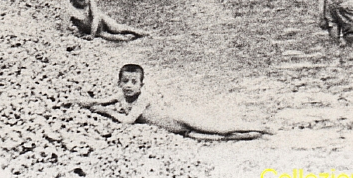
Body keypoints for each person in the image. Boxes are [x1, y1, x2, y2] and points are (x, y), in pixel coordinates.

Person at [77, 64, 273, 141]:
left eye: (133, 82)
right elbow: (100, 101)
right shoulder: (120, 95)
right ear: (119, 83)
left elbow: (128, 120)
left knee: (219, 129)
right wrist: (81, 103)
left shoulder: (142, 99)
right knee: (217, 139)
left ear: (141, 85)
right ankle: (253, 136)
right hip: (179, 131)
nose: (129, 86)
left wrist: (106, 112)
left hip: (178, 119)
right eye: (125, 82)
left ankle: (260, 127)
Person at [68, 0, 149, 41]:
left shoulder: (90, 1)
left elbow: (96, 17)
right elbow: (64, 29)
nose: (85, 1)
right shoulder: (70, 9)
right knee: (108, 36)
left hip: (100, 21)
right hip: (92, 29)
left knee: (117, 28)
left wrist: (92, 35)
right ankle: (128, 39)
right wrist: (75, 33)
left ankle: (140, 32)